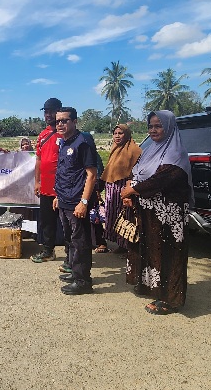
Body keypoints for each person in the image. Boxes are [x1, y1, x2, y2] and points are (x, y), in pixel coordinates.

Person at [120, 110, 193, 315]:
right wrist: (129, 192)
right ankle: (151, 286)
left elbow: (164, 178)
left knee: (169, 254)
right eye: (151, 126)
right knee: (151, 250)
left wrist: (133, 190)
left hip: (169, 216)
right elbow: (136, 172)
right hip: (149, 213)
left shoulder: (176, 153)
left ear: (169, 127)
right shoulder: (151, 150)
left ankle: (170, 299)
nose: (153, 130)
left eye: (158, 126)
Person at [53, 107, 98, 295]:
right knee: (70, 239)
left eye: (65, 120)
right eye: (58, 121)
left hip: (77, 202)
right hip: (64, 198)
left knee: (80, 241)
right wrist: (57, 196)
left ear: (74, 122)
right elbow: (65, 172)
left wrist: (84, 202)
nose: (60, 124)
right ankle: (74, 271)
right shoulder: (64, 143)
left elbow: (92, 174)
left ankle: (83, 281)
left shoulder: (83, 142)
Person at [30, 97, 64, 265]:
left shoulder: (66, 133)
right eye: (46, 111)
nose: (48, 114)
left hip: (63, 188)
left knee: (67, 223)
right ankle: (48, 251)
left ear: (59, 110)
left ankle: (72, 256)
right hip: (45, 187)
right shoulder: (43, 135)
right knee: (47, 221)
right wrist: (37, 182)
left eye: (51, 110)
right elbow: (38, 160)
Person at [101, 124, 142, 255]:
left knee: (126, 216)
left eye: (120, 133)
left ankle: (128, 245)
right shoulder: (115, 148)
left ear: (127, 134)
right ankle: (120, 244)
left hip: (125, 188)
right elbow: (109, 169)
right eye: (115, 133)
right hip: (111, 187)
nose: (117, 136)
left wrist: (129, 191)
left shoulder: (135, 150)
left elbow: (137, 172)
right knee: (113, 215)